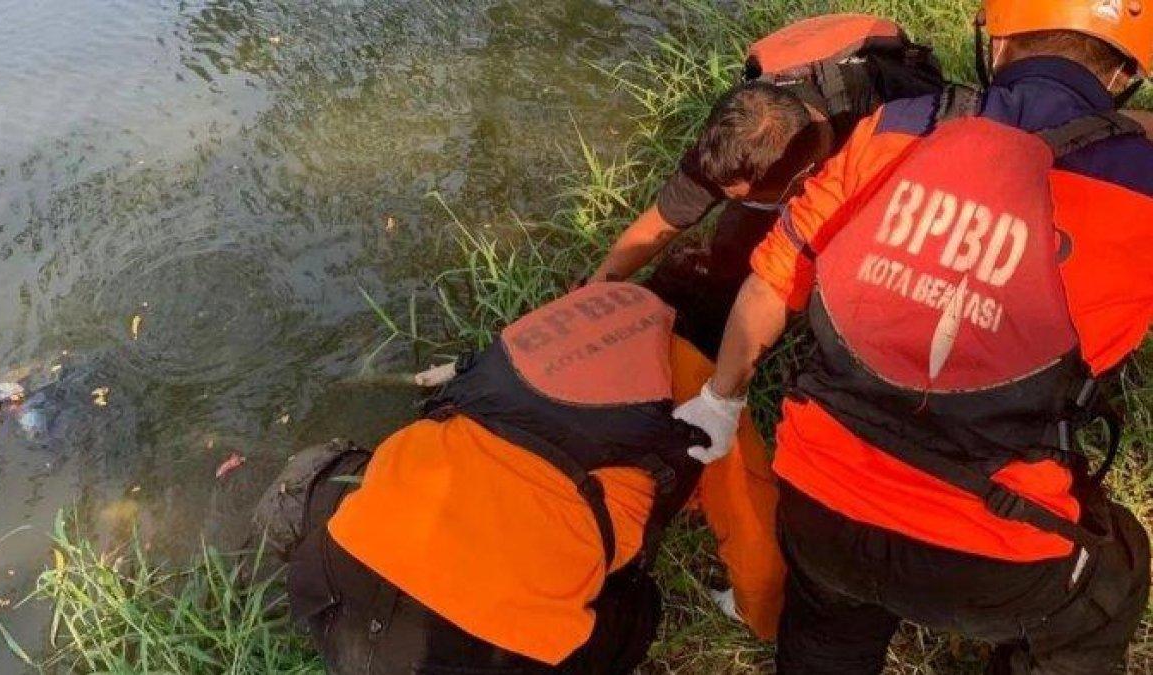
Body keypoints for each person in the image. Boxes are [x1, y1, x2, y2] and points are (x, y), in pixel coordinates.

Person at [674, 1, 1153, 672]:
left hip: (819, 507)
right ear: (1128, 72)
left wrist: (721, 401)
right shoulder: (1141, 188)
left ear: (1000, 45)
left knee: (827, 620)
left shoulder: (890, 129)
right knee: (1114, 578)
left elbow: (767, 285)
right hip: (989, 556)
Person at [253, 282, 785, 674]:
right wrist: (760, 619)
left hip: (327, 590)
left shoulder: (561, 325)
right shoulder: (702, 383)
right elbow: (758, 559)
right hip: (468, 653)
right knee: (639, 604)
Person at [585, 14, 947, 357]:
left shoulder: (893, 122)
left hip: (885, 105)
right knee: (734, 249)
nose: (725, 198)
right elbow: (662, 223)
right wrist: (592, 294)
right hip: (809, 79)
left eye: (750, 197)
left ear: (803, 178)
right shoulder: (740, 133)